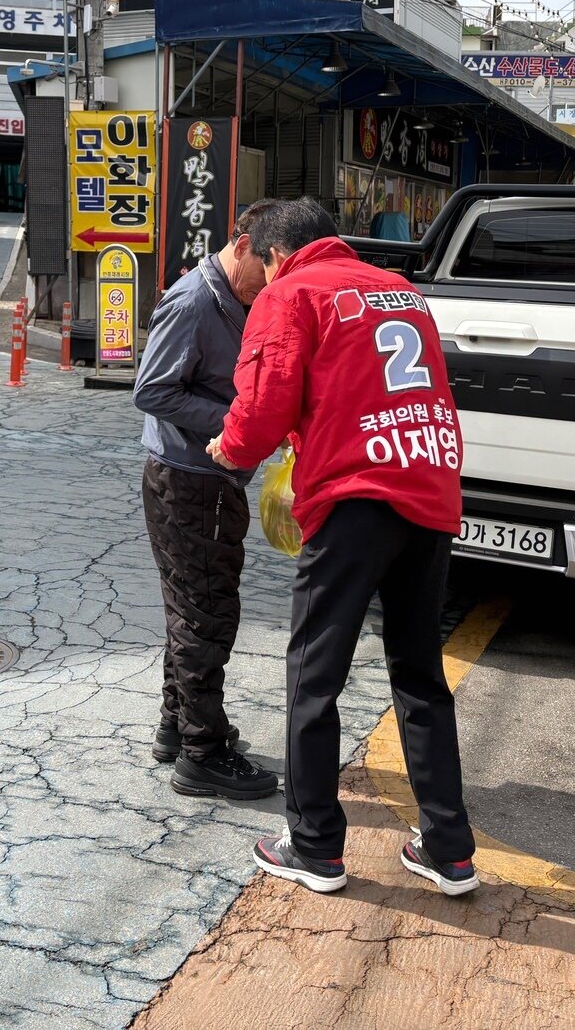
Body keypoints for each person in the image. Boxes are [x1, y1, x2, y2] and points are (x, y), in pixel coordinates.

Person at [207, 197, 479, 896]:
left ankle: (315, 847)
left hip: (356, 501)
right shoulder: (402, 292)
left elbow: (264, 404)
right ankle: (449, 851)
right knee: (420, 674)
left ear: (272, 255)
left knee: (315, 675)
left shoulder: (293, 292)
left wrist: (229, 446)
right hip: (429, 488)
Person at [133, 199, 281, 801]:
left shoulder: (234, 299)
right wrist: (238, 421)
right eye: (266, 266)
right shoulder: (194, 301)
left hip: (207, 479)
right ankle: (203, 753)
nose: (269, 283)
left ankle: (178, 725)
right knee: (207, 613)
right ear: (241, 245)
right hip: (190, 479)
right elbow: (152, 390)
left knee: (189, 605)